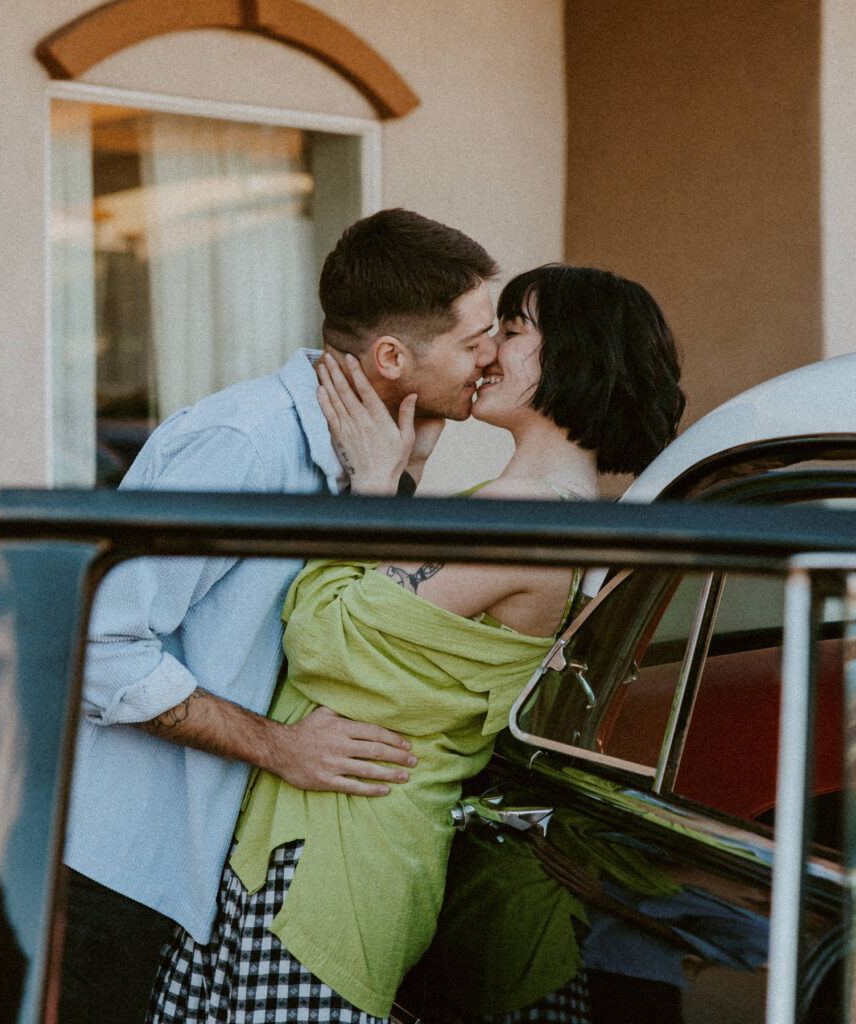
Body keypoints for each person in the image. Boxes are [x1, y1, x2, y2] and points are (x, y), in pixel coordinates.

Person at [148, 263, 686, 1023]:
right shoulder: (542, 509)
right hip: (340, 837)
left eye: (513, 329)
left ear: (580, 354)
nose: (487, 350)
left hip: (339, 858)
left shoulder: (522, 516)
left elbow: (322, 639)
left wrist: (374, 487)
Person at [56, 208, 500, 1024]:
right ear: (392, 357)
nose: (493, 356)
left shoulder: (369, 451)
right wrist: (280, 748)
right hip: (120, 874)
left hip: (201, 875)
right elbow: (99, 645)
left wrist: (400, 481)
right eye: (475, 342)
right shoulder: (245, 444)